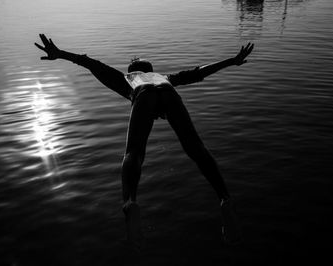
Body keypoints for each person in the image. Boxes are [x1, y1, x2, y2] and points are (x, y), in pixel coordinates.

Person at [35, 34, 254, 248]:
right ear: (151, 70)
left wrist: (61, 53)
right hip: (169, 94)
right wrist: (231, 61)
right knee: (196, 148)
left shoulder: (128, 79)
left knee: (134, 153)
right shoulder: (165, 78)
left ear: (133, 71)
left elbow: (91, 63)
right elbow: (199, 72)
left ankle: (130, 202)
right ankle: (224, 198)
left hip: (143, 96)